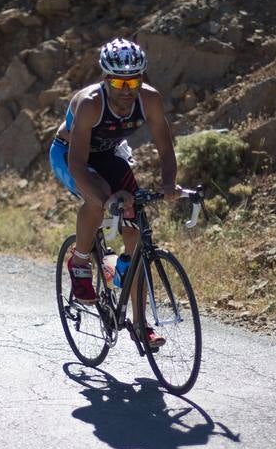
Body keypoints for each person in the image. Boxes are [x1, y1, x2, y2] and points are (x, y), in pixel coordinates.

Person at [49, 38, 181, 349]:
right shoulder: (90, 103)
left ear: (141, 78)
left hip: (108, 153)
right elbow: (79, 165)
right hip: (70, 155)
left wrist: (169, 184)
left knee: (136, 234)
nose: (126, 88)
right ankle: (80, 260)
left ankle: (139, 322)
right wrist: (106, 199)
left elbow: (166, 148)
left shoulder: (150, 100)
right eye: (119, 81)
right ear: (106, 79)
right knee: (101, 198)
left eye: (133, 80)